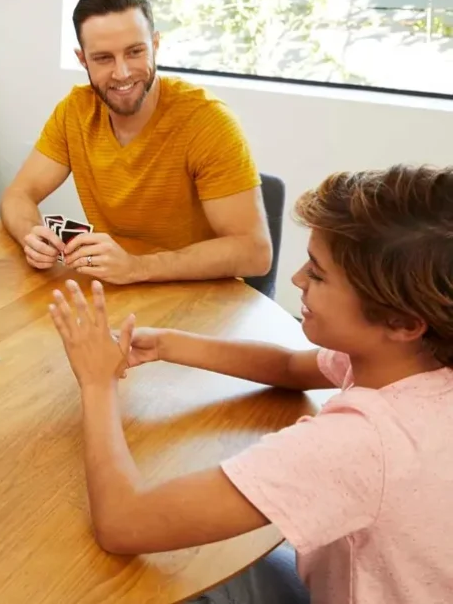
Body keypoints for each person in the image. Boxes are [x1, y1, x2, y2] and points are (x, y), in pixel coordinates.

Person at [48, 164, 453, 602]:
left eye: (318, 274)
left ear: (403, 323)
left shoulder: (362, 444)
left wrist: (97, 383)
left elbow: (123, 524)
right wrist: (166, 344)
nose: (297, 279)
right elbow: (290, 368)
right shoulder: (416, 359)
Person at [1, 0, 272, 285]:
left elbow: (255, 252)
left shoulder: (208, 122)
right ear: (83, 60)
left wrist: (137, 267)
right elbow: (17, 195)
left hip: (201, 296)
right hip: (118, 290)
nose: (122, 73)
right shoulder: (74, 111)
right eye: (103, 58)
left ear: (155, 44)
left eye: (134, 52)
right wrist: (31, 236)